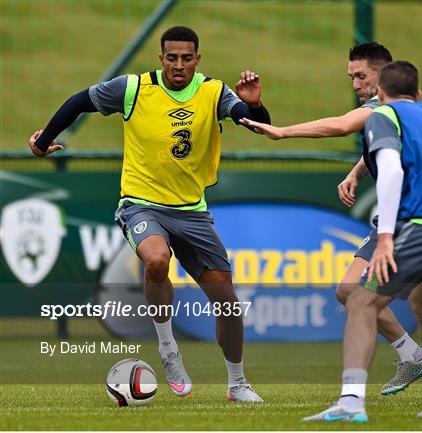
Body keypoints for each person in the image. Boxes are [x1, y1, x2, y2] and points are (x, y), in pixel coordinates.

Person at [241, 43, 422, 404]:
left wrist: (281, 131)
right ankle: (411, 355)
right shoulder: (395, 113)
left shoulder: (387, 108)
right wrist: (356, 173)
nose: (357, 84)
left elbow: (342, 125)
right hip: (399, 220)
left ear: (385, 75)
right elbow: (381, 147)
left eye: (362, 76)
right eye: (352, 78)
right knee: (349, 291)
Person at [28, 25, 271, 402]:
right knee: (156, 259)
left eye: (186, 58)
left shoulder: (212, 91)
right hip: (140, 203)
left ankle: (237, 383)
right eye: (171, 58)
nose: (178, 65)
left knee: (227, 301)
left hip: (192, 210)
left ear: (197, 60)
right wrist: (43, 142)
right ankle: (168, 348)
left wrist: (253, 105)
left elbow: (256, 124)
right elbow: (79, 101)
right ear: (161, 59)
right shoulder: (134, 88)